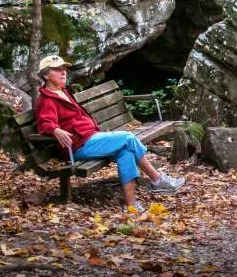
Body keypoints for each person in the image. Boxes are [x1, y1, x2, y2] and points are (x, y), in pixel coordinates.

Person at [35, 54, 185, 212]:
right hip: (79, 145)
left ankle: (131, 205)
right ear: (46, 75)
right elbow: (44, 123)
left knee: (125, 152)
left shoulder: (62, 91)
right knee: (128, 137)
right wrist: (55, 129)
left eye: (64, 69)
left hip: (90, 138)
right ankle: (157, 179)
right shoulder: (47, 100)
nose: (63, 72)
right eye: (57, 70)